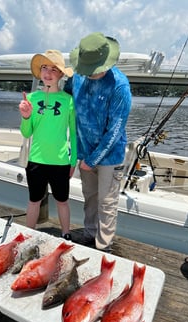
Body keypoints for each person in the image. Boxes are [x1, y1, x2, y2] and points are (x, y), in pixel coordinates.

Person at [65, 32, 132, 252]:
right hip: (84, 152)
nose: (88, 73)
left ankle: (104, 245)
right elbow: (63, 100)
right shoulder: (77, 76)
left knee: (107, 201)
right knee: (90, 198)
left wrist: (93, 160)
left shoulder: (120, 86)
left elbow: (114, 131)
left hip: (109, 156)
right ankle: (89, 234)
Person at [19, 50, 77, 240]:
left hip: (60, 161)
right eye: (45, 67)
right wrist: (26, 116)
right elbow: (27, 132)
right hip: (36, 159)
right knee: (34, 200)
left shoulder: (68, 100)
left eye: (54, 69)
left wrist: (73, 160)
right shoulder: (33, 99)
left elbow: (73, 134)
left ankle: (66, 234)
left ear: (61, 74)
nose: (48, 73)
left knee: (62, 201)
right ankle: (28, 235)